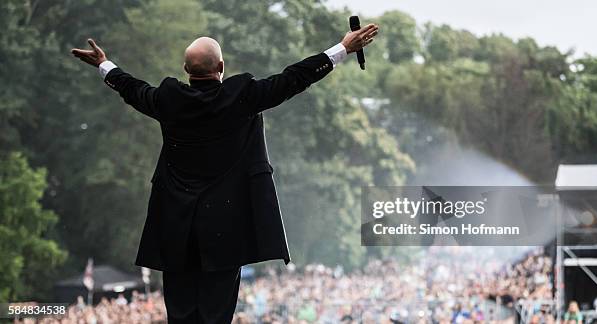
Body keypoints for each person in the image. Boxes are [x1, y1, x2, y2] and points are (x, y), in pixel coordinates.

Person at [71, 23, 379, 323]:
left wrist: (103, 64)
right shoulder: (241, 96)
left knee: (179, 313)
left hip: (176, 228)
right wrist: (343, 48)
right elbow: (294, 78)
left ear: (185, 68)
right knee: (216, 314)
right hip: (226, 229)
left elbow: (132, 88)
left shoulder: (169, 99)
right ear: (221, 65)